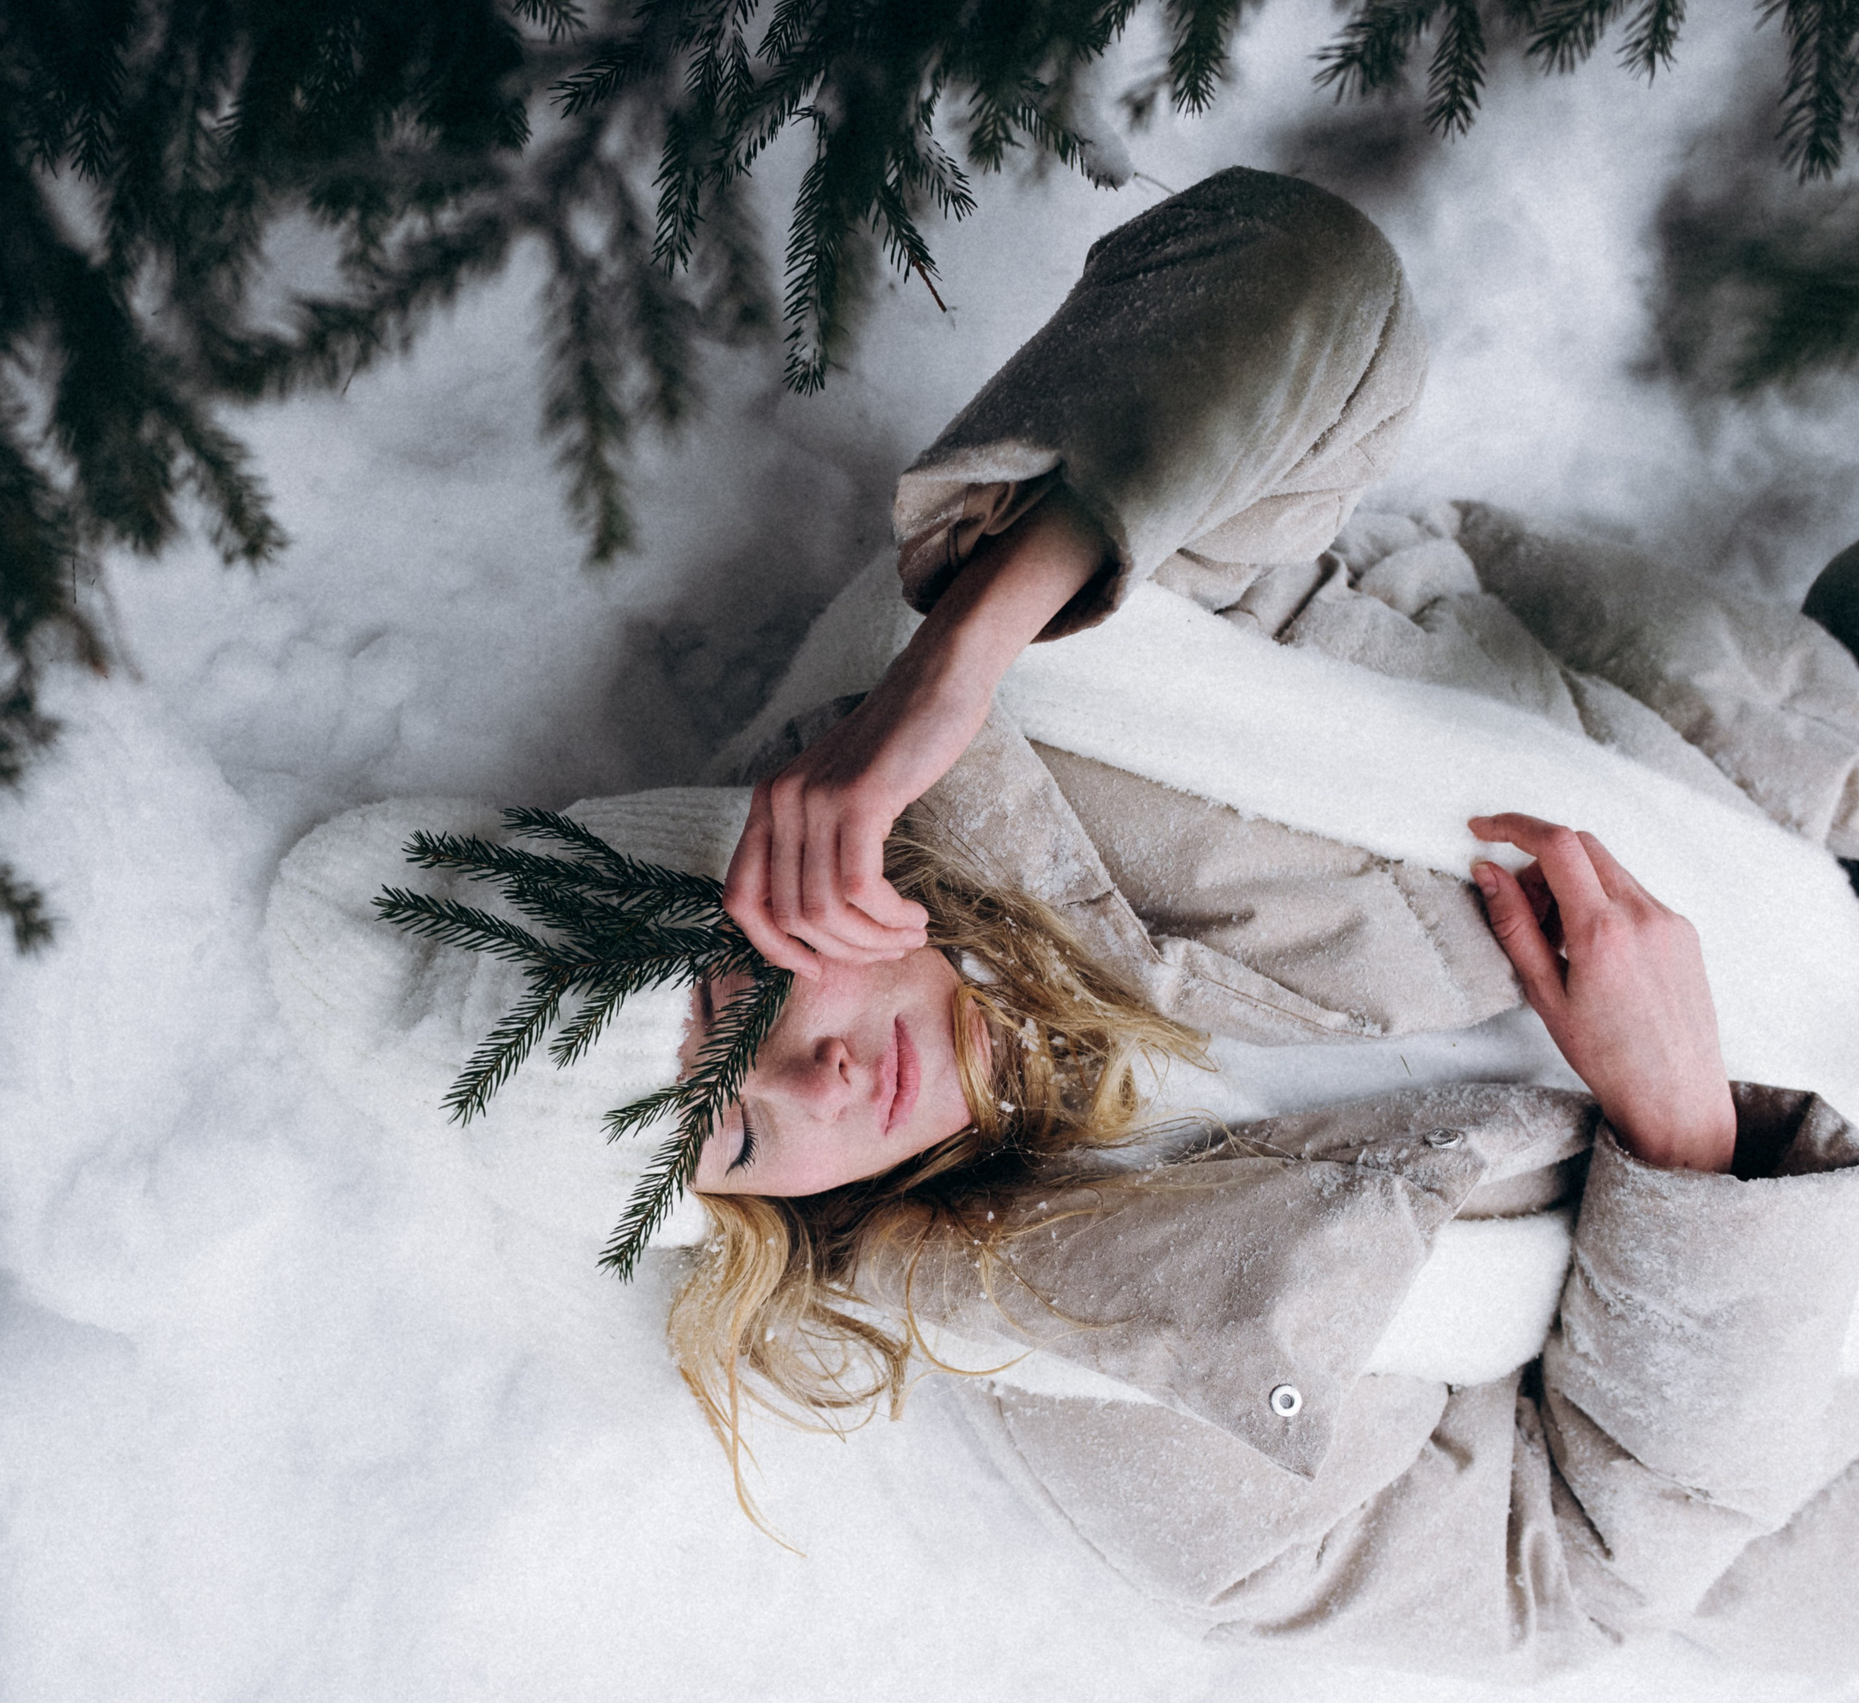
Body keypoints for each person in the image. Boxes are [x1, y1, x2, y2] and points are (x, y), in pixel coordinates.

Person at [654, 168, 1859, 1677]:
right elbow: (1550, 1582)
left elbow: (1309, 273)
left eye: (749, 1012)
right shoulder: (1097, 1354)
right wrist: (1685, 1150)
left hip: (1812, 781)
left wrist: (966, 649)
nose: (821, 1086)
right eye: (746, 1143)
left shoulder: (1054, 714)